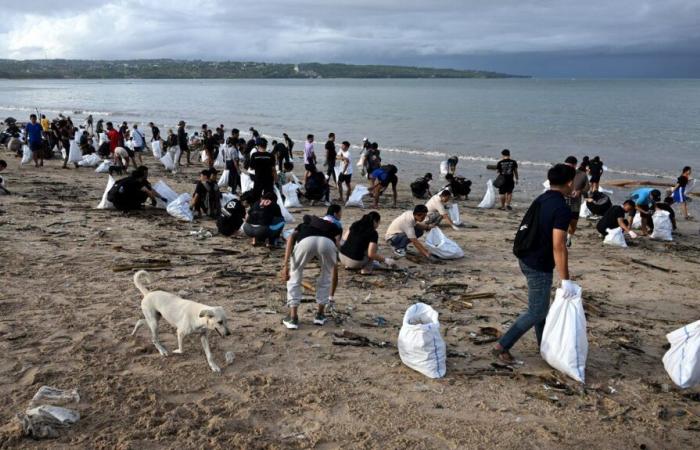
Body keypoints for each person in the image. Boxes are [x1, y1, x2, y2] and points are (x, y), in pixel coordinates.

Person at [492, 163, 576, 363]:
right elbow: (559, 245)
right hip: (538, 263)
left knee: (541, 307)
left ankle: (544, 345)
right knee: (537, 310)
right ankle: (502, 345)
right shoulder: (562, 208)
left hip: (526, 256)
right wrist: (566, 280)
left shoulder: (543, 198)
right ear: (570, 182)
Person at [280, 207, 343, 329]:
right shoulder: (330, 226)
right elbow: (337, 244)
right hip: (328, 243)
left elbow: (290, 238)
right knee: (325, 277)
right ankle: (320, 315)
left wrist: (285, 265)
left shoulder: (303, 226)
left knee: (295, 276)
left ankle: (293, 318)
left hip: (305, 241)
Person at [564, 156, 590, 247]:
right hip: (562, 202)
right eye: (566, 166)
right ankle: (561, 238)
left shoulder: (582, 175)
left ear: (575, 165)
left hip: (575, 204)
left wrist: (580, 191)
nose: (568, 168)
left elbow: (587, 188)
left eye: (570, 166)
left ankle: (569, 238)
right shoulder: (561, 173)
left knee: (573, 223)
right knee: (561, 221)